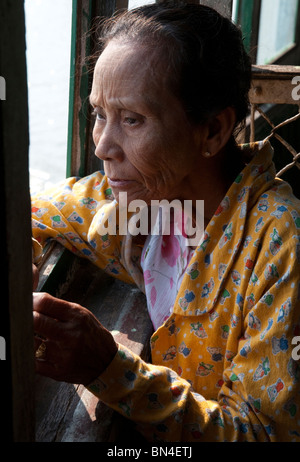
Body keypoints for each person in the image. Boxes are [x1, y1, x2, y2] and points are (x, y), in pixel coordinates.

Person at [32, 2, 300, 442]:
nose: (102, 147)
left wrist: (109, 368)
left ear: (212, 131)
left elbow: (263, 434)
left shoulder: (279, 247)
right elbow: (34, 207)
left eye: (132, 120)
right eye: (99, 114)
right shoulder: (148, 200)